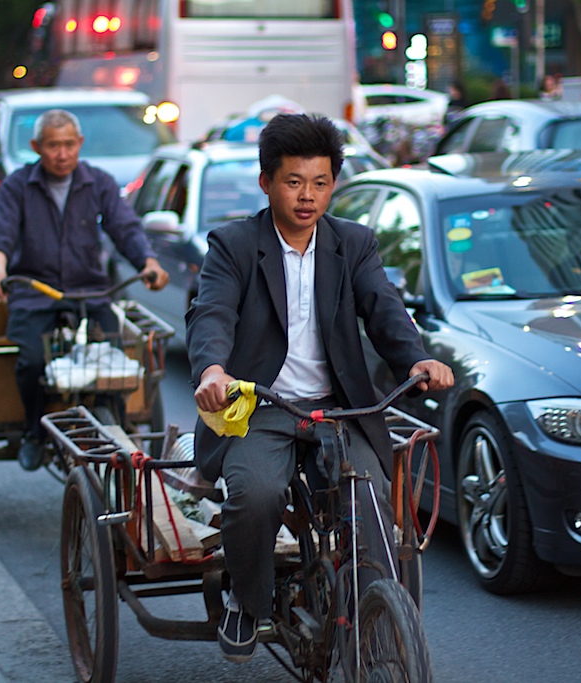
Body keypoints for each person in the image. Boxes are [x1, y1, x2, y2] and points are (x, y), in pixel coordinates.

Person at [187, 113, 454, 663]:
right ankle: (247, 596)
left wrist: (420, 358)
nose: (307, 196)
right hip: (261, 406)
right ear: (266, 183)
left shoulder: (353, 244)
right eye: (293, 182)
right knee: (256, 495)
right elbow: (210, 314)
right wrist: (212, 371)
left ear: (334, 183)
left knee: (374, 500)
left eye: (320, 183)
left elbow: (385, 310)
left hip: (339, 408)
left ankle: (379, 611)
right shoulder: (234, 245)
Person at [0, 109, 169, 471]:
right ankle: (34, 432)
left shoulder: (98, 182)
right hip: (35, 291)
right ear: (37, 147)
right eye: (53, 145)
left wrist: (148, 263)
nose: (62, 153)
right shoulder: (19, 185)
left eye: (69, 145)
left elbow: (125, 228)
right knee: (32, 361)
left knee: (116, 357)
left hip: (90, 290)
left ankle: (117, 428)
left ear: (80, 144)